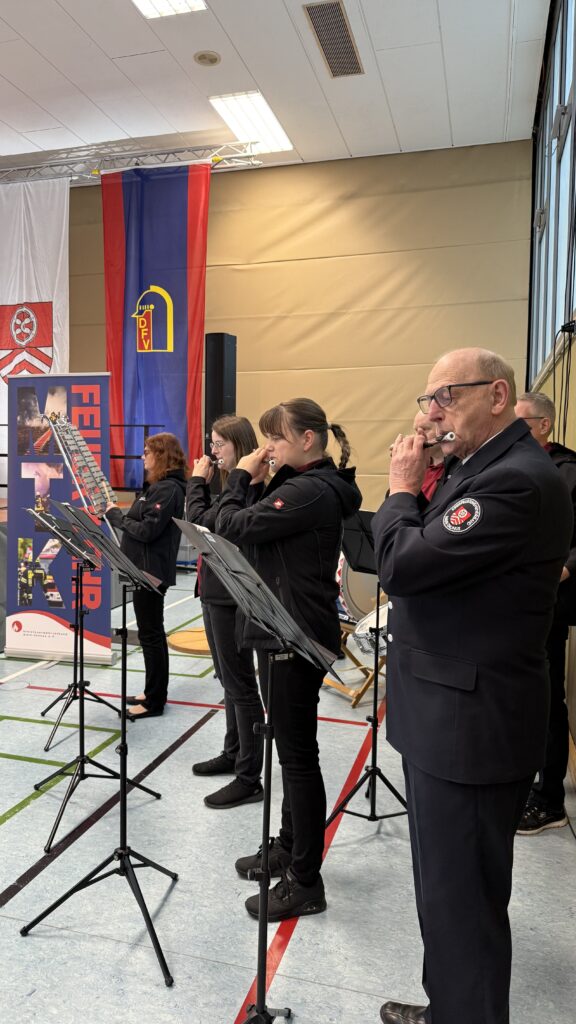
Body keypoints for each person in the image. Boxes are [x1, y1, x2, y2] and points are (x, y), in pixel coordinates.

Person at [372, 349, 573, 1024]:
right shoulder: (476, 468)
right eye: (427, 400)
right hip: (443, 714)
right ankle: (448, 1007)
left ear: (497, 395)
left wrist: (401, 487)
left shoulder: (514, 481)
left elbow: (402, 564)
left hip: (470, 724)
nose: (431, 414)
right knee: (443, 892)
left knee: (464, 904)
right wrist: (427, 477)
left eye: (445, 397)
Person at [216, 397, 362, 921]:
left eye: (276, 437)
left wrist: (239, 477)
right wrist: (258, 479)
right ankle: (288, 844)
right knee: (289, 750)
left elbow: (232, 526)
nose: (268, 448)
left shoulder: (310, 489)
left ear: (307, 439)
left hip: (293, 635)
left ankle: (304, 879)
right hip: (282, 627)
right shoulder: (302, 483)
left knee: (298, 758)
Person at [186, 415, 265, 809]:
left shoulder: (249, 489)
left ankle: (249, 776)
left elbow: (202, 524)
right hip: (214, 593)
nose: (213, 451)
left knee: (241, 685)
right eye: (212, 443)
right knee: (228, 681)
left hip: (233, 598)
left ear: (239, 445)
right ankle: (234, 752)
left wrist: (196, 483)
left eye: (220, 444)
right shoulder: (231, 489)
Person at [514, 391, 576, 834]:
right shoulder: (509, 464)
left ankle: (550, 798)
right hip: (512, 600)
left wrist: (565, 568)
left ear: (544, 425)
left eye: (521, 423)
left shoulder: (567, 470)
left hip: (550, 598)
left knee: (548, 697)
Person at [106, 433, 187, 720]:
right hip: (142, 568)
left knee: (151, 635)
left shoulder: (168, 490)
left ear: (161, 456)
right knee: (151, 633)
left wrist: (117, 518)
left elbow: (148, 531)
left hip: (150, 571)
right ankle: (153, 691)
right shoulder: (157, 487)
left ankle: (154, 701)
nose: (143, 457)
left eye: (147, 452)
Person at [412, 411, 445, 505]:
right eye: (416, 431)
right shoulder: (418, 466)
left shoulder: (456, 469)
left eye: (425, 429)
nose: (418, 437)